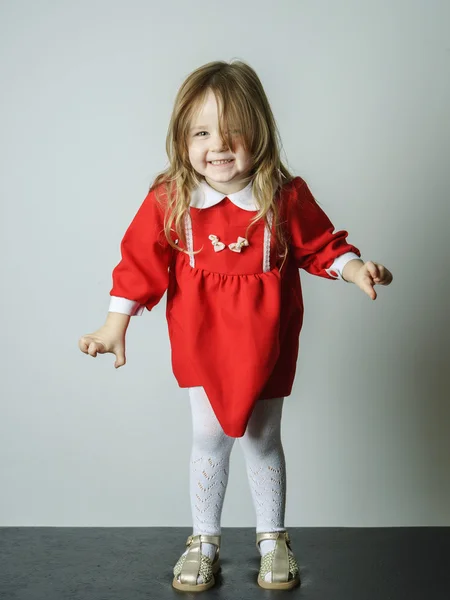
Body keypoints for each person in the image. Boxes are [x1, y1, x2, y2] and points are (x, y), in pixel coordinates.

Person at [78, 60, 393, 592]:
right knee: (208, 436)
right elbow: (139, 263)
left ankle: (273, 539)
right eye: (201, 133)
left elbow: (321, 245)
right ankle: (204, 539)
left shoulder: (283, 195)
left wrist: (355, 267)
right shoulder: (170, 198)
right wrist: (115, 325)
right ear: (181, 139)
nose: (217, 147)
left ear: (261, 135)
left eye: (233, 133)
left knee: (263, 437)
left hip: (265, 340)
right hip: (202, 339)